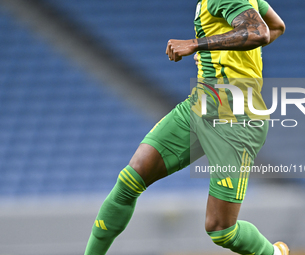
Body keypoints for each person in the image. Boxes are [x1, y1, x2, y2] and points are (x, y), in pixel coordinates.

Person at [84, 0, 287, 254]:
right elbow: (277, 26)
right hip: (202, 104)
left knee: (221, 229)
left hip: (236, 119)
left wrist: (196, 45)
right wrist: (226, 53)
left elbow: (260, 31)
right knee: (130, 179)